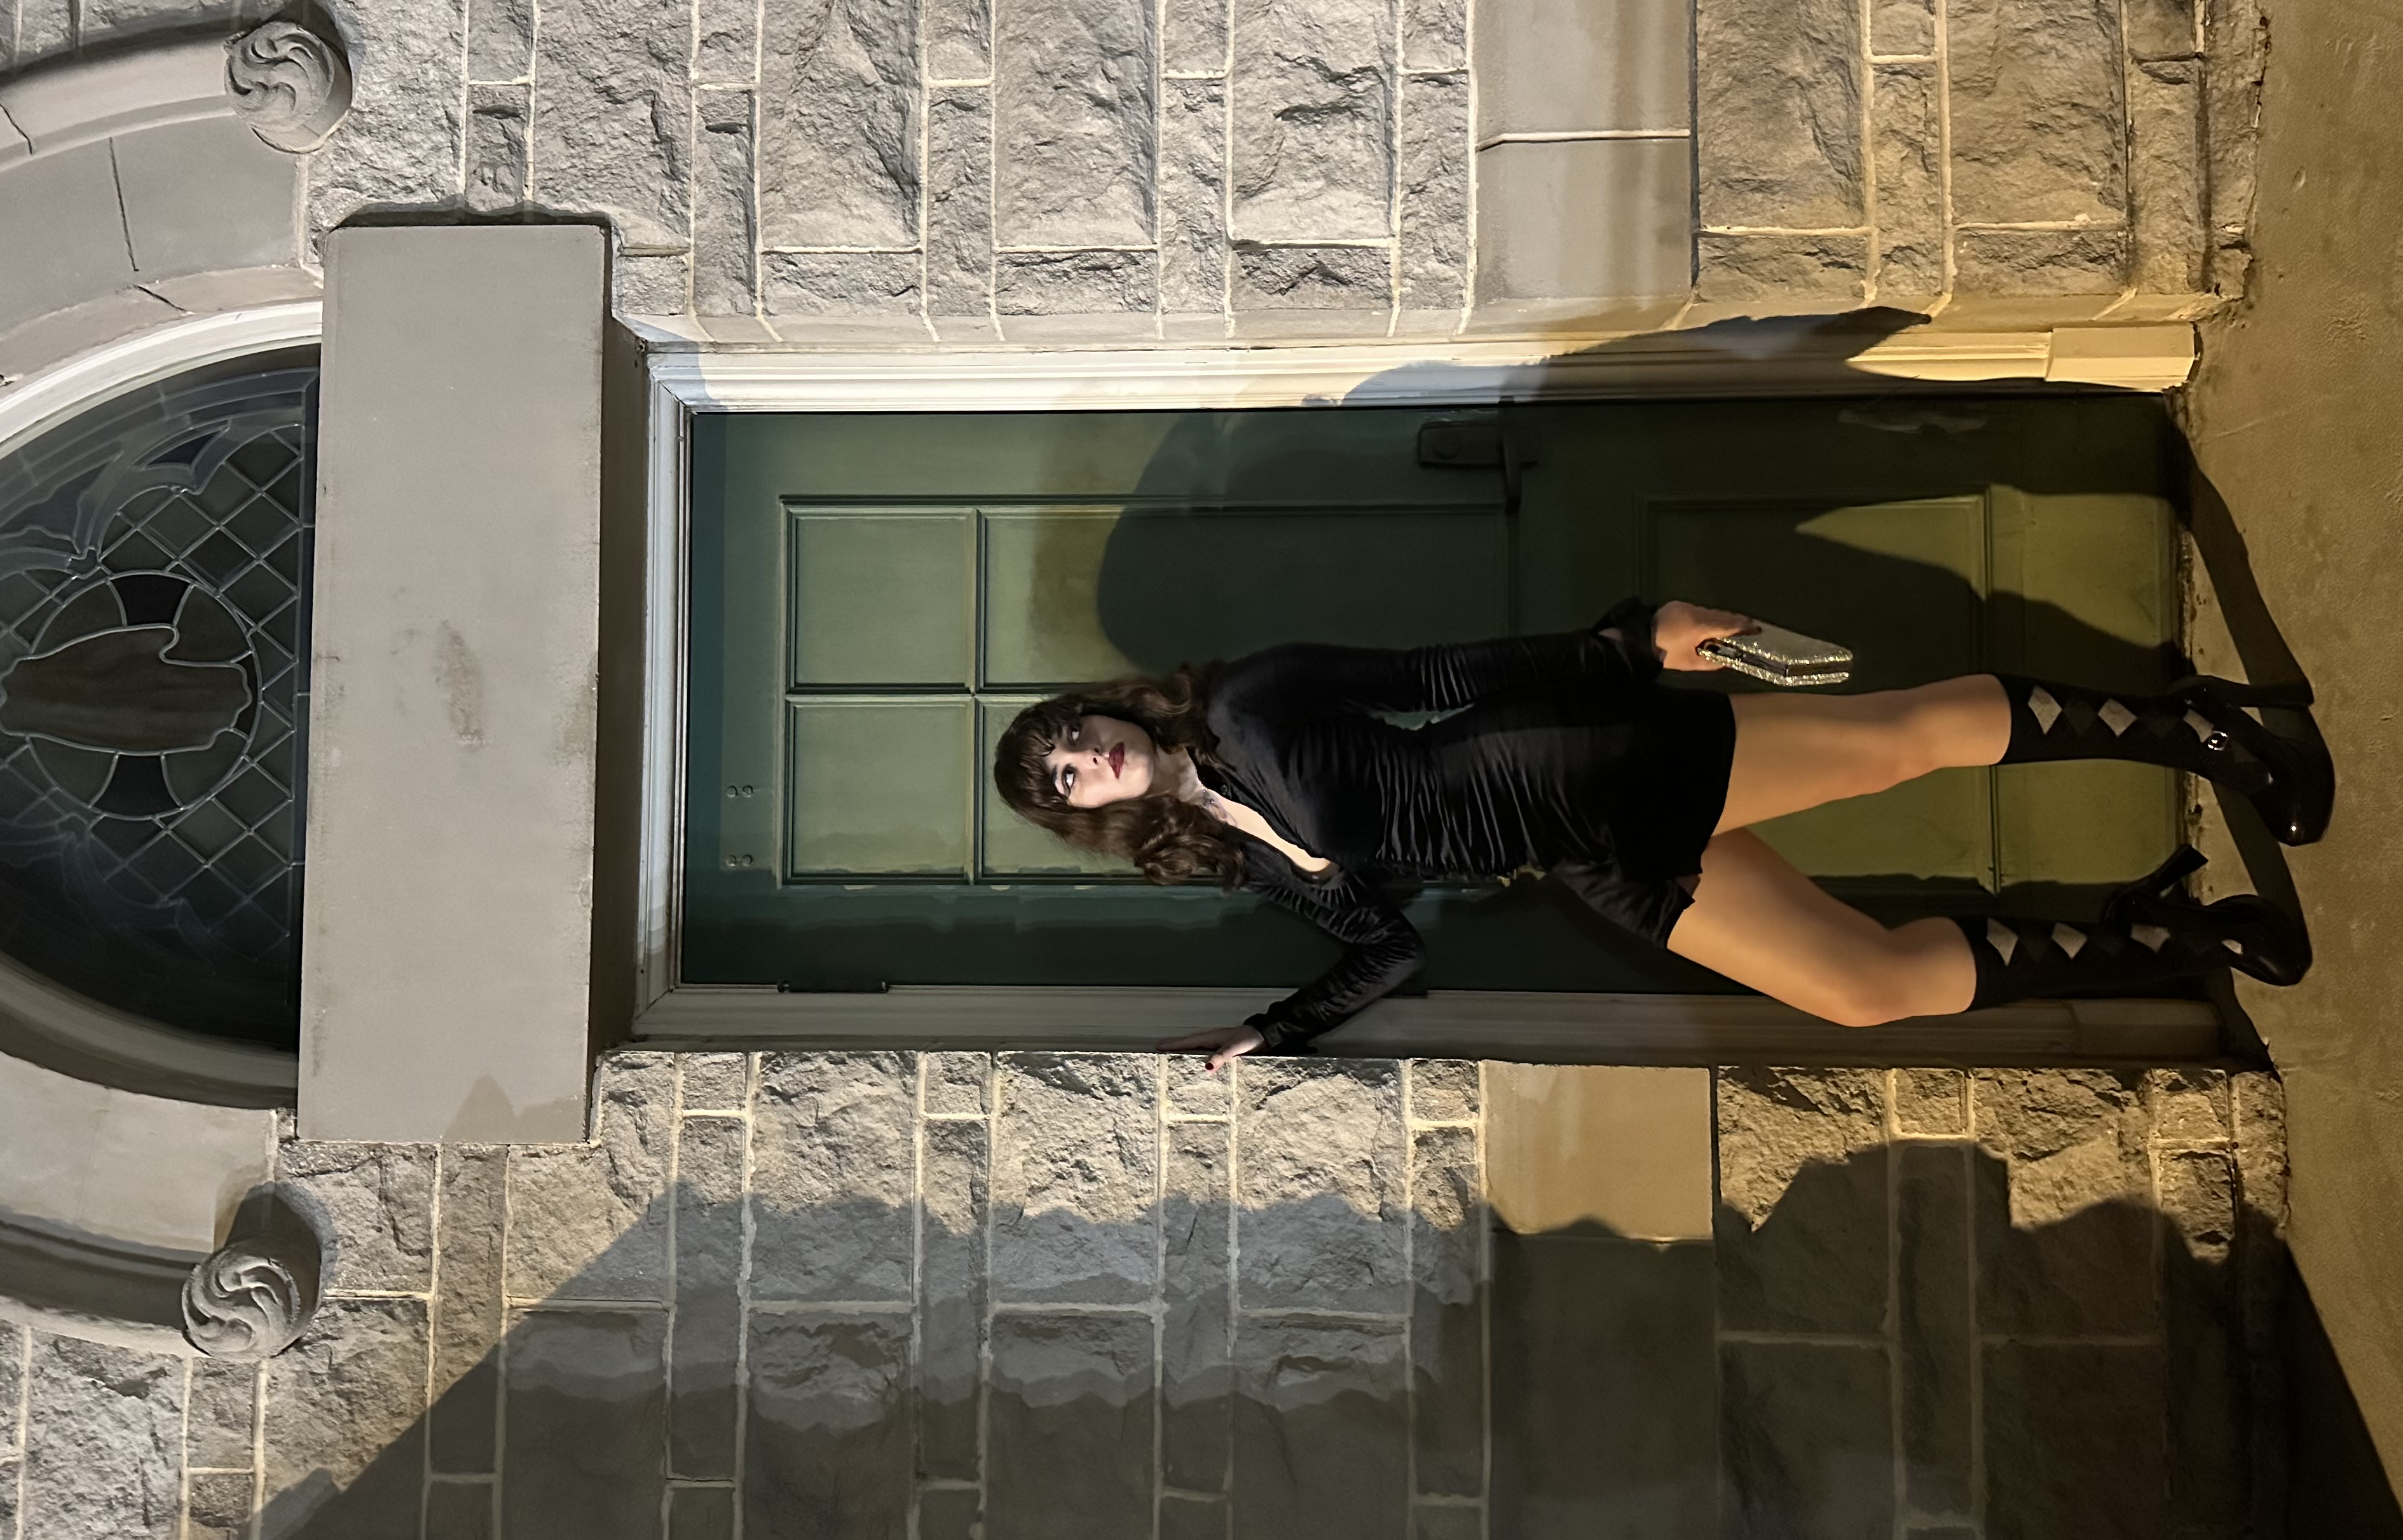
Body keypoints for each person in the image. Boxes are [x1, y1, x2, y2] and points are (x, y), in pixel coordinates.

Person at [990, 599, 2331, 1061]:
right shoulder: (1224, 859)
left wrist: (1620, 644)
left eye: (1066, 739)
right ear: (1088, 818)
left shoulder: (1244, 696)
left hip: (1576, 755)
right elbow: (1383, 951)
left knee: (1893, 741)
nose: (1081, 764)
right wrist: (1269, 1030)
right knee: (1862, 992)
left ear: (1097, 712)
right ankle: (2170, 937)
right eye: (1062, 784)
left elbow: (1433, 676)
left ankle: (2198, 728)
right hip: (1575, 854)